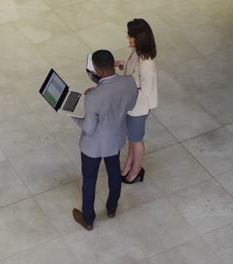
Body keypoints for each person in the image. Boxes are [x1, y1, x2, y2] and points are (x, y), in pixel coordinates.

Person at [71, 50, 138, 231]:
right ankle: (111, 209)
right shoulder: (129, 82)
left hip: (93, 147)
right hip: (115, 139)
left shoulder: (93, 97)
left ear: (99, 70)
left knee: (90, 180)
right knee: (114, 174)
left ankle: (88, 219)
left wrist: (72, 115)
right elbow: (130, 105)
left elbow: (89, 128)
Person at [115, 18, 158, 184]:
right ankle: (128, 166)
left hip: (138, 107)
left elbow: (145, 93)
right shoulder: (137, 52)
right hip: (131, 104)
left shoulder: (146, 63)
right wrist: (121, 64)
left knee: (136, 139)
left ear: (139, 38)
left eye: (130, 35)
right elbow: (133, 69)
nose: (127, 37)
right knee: (132, 137)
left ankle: (135, 170)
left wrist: (122, 91)